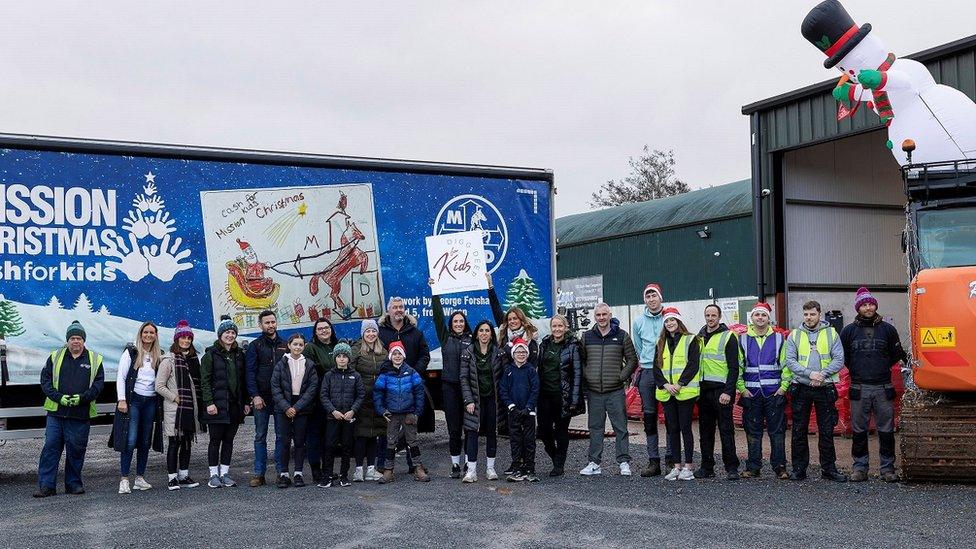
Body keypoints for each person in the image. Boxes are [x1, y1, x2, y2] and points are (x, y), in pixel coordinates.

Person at [840, 287, 907, 483]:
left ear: (875, 305)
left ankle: (888, 469)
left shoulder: (888, 330)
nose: (868, 308)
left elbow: (897, 356)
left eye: (871, 304)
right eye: (864, 305)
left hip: (883, 388)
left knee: (886, 430)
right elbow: (843, 358)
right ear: (858, 308)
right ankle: (860, 468)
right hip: (859, 388)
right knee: (859, 430)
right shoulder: (848, 331)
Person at [34, 320, 105, 498]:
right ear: (67, 340)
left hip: (80, 415)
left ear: (83, 341)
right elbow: (45, 382)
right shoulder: (55, 357)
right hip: (56, 414)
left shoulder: (95, 360)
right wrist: (60, 398)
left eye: (79, 338)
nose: (75, 341)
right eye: (72, 338)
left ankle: (73, 484)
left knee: (76, 450)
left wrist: (81, 399)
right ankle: (46, 486)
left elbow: (98, 386)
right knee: (50, 448)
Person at [786, 300, 848, 482]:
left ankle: (829, 469)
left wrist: (821, 374)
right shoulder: (794, 335)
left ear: (819, 314)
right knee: (799, 429)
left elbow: (839, 359)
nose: (809, 317)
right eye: (806, 314)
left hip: (824, 387)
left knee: (827, 430)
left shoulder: (831, 334)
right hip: (801, 387)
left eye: (812, 314)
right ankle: (799, 469)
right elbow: (790, 361)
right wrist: (810, 374)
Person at [580, 303, 639, 477]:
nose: (601, 318)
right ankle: (594, 463)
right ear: (594, 317)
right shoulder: (587, 336)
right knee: (595, 427)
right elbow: (582, 360)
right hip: (594, 391)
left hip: (615, 390)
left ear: (610, 314)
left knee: (620, 427)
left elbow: (632, 360)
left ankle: (623, 462)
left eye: (604, 314)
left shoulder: (622, 336)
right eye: (598, 315)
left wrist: (621, 377)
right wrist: (587, 375)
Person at [737, 302, 791, 479]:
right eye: (757, 315)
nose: (760, 318)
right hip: (751, 394)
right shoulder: (742, 339)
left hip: (774, 393)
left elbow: (786, 366)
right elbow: (737, 367)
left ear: (769, 318)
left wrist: (783, 388)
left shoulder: (778, 338)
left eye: (764, 315)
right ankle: (753, 467)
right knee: (753, 432)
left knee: (777, 432)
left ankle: (780, 467)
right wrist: (741, 388)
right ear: (751, 318)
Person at [377, 296, 430, 472]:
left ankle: (413, 466)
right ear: (388, 310)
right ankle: (384, 467)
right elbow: (377, 356)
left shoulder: (415, 332)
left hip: (410, 390)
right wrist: (388, 373)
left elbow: (425, 355)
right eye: (395, 307)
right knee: (388, 431)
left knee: (410, 430)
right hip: (389, 389)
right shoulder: (380, 332)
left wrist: (413, 373)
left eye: (401, 307)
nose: (398, 310)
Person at [114, 321, 164, 494]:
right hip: (133, 400)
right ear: (140, 334)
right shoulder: (131, 352)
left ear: (156, 335)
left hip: (151, 401)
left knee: (145, 440)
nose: (148, 335)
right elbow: (121, 377)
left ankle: (140, 478)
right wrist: (122, 400)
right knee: (130, 438)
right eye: (145, 332)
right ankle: (124, 478)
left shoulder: (159, 355)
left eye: (152, 333)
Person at [201, 315, 250, 488]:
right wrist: (209, 403)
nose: (230, 335)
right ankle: (213, 475)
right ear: (220, 335)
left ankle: (225, 473)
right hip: (217, 405)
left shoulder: (239, 355)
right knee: (215, 440)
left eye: (232, 332)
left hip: (234, 406)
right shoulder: (210, 355)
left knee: (229, 440)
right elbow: (205, 381)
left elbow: (243, 381)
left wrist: (245, 402)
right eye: (226, 332)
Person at [695, 304, 741, 480]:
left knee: (726, 430)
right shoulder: (699, 338)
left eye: (713, 315)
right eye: (707, 315)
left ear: (719, 317)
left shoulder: (728, 337)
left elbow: (734, 367)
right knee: (705, 432)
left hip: (721, 391)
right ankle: (707, 467)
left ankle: (731, 467)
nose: (710, 318)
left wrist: (729, 391)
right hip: (703, 392)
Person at [654, 308, 700, 481]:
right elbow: (656, 367)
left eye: (672, 320)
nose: (670, 323)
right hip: (668, 393)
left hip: (684, 392)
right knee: (672, 429)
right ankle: (676, 466)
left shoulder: (691, 340)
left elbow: (694, 364)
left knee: (685, 428)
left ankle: (688, 466)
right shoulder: (660, 342)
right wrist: (665, 384)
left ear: (679, 321)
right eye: (666, 321)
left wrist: (680, 384)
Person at [536, 315, 585, 477]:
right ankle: (555, 454)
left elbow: (577, 373)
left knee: (561, 430)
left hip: (563, 395)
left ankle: (559, 464)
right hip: (544, 395)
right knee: (543, 430)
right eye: (554, 326)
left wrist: (575, 398)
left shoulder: (572, 346)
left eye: (560, 326)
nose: (557, 329)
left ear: (566, 327)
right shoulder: (545, 344)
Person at [631, 283, 672, 476]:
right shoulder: (638, 322)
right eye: (647, 297)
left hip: (668, 372)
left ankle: (672, 459)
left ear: (660, 298)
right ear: (644, 300)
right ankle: (653, 461)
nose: (651, 299)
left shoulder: (670, 318)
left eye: (654, 296)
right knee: (649, 417)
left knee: (671, 416)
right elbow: (638, 347)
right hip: (647, 372)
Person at [155, 320, 202, 490]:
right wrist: (175, 398)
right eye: (183, 337)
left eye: (189, 338)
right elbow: (159, 386)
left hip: (189, 409)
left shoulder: (194, 360)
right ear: (176, 339)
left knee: (187, 442)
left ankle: (184, 475)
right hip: (175, 410)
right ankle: (172, 477)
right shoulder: (169, 360)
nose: (186, 341)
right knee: (174, 442)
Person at [374, 341, 428, 483]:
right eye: (394, 354)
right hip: (391, 413)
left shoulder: (411, 372)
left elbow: (419, 393)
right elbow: (378, 393)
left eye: (400, 353)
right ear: (390, 356)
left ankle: (418, 468)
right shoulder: (385, 374)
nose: (397, 356)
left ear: (404, 356)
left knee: (412, 440)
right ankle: (388, 470)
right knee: (391, 441)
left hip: (409, 412)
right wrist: (381, 410)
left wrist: (417, 412)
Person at [245, 309, 288, 487]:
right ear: (260, 325)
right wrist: (255, 395)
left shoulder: (285, 344)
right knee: (260, 435)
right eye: (267, 323)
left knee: (281, 436)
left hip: (280, 398)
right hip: (261, 398)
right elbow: (250, 372)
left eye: (272, 322)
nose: (270, 325)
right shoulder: (255, 346)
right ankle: (258, 473)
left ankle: (281, 473)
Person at [271, 333, 319, 488]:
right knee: (284, 441)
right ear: (289, 345)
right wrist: (286, 407)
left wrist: (297, 407)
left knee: (300, 442)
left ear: (304, 346)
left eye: (301, 344)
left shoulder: (309, 364)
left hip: (302, 407)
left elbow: (312, 388)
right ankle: (284, 474)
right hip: (283, 406)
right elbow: (275, 386)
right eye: (295, 344)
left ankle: (298, 473)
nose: (298, 347)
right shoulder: (281, 363)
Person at [459, 320, 505, 483]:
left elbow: (503, 378)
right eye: (481, 331)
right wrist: (468, 400)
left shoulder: (498, 353)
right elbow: (463, 378)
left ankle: (490, 469)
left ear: (491, 334)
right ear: (476, 334)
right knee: (472, 432)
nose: (484, 334)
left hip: (492, 400)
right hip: (474, 401)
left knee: (492, 432)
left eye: (487, 331)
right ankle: (471, 471)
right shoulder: (468, 352)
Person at [319, 343, 365, 488]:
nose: (342, 359)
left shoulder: (355, 376)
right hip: (333, 417)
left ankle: (344, 476)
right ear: (335, 358)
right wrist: (333, 411)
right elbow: (324, 395)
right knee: (329, 446)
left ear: (349, 358)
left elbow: (361, 395)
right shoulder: (329, 375)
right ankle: (327, 476)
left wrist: (353, 410)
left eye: (344, 356)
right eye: (339, 356)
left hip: (348, 417)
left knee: (346, 446)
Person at [500, 338, 540, 483]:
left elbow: (535, 390)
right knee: (515, 440)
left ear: (527, 354)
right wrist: (511, 406)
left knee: (529, 440)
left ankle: (530, 467)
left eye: (524, 352)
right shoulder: (508, 371)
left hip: (528, 412)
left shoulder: (531, 371)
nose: (521, 354)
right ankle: (517, 467)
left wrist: (529, 407)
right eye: (518, 352)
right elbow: (503, 390)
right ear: (513, 354)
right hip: (513, 412)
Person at [351, 320, 387, 482]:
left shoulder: (383, 350)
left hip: (378, 399)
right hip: (361, 399)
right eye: (368, 331)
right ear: (363, 333)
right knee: (361, 435)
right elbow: (350, 372)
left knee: (375, 434)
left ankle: (371, 469)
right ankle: (359, 470)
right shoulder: (356, 350)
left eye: (373, 331)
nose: (371, 334)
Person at [302, 317, 337, 484]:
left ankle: (327, 470)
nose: (324, 330)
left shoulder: (337, 347)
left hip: (334, 399)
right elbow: (308, 374)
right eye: (320, 328)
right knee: (315, 436)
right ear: (315, 332)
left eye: (326, 327)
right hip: (316, 399)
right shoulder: (310, 348)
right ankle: (316, 470)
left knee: (328, 437)